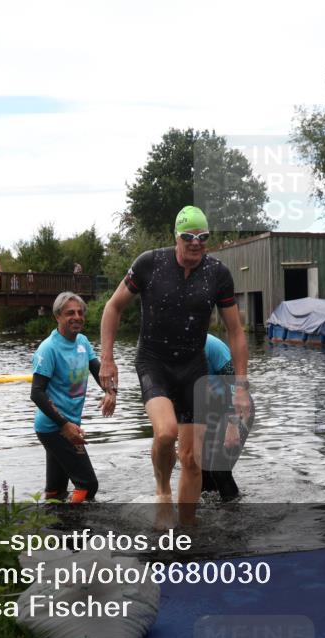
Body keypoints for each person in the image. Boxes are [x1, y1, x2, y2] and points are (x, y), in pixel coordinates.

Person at [99, 205, 249, 523]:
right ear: (176, 237)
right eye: (188, 237)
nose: (196, 243)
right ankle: (162, 489)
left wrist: (239, 385)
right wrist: (107, 360)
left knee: (193, 459)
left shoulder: (218, 274)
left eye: (203, 238)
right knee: (166, 432)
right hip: (154, 362)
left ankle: (187, 530)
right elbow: (113, 307)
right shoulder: (150, 264)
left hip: (194, 368)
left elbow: (236, 331)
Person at [31, 292, 115, 502]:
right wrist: (64, 425)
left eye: (80, 312)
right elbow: (36, 393)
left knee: (56, 489)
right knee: (88, 485)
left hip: (65, 425)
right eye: (70, 313)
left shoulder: (83, 342)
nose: (77, 317)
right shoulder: (48, 348)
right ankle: (78, 530)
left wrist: (110, 392)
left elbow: (97, 369)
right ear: (58, 316)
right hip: (54, 427)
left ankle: (55, 527)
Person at [201, 334, 254, 501]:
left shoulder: (211, 345)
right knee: (202, 473)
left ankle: (235, 517)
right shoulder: (169, 350)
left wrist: (233, 424)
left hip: (237, 408)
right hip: (208, 412)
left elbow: (234, 383)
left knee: (219, 469)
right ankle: (212, 520)